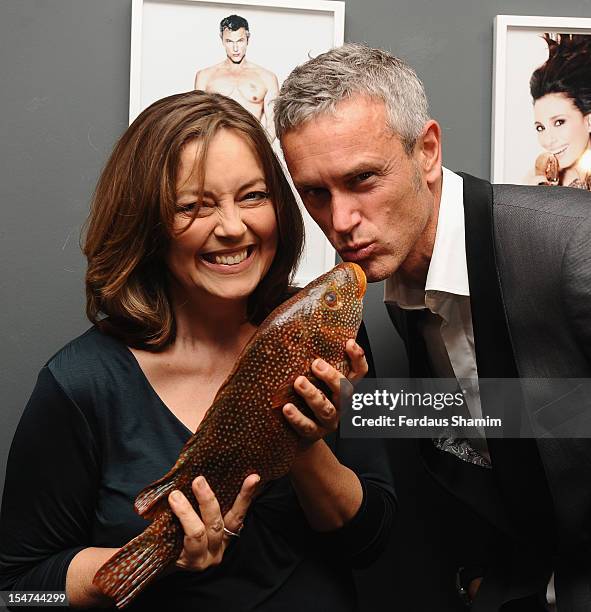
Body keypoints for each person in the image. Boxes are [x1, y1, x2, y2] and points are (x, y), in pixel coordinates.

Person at [0, 90, 395, 610]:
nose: (232, 228)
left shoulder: (321, 335)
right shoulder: (81, 384)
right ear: (147, 223)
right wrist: (151, 562)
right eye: (193, 206)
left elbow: (370, 544)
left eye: (253, 196)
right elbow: (21, 593)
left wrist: (300, 443)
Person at [274, 43, 591, 611]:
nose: (341, 222)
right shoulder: (402, 285)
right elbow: (509, 415)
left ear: (426, 151)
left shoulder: (574, 243)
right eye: (316, 194)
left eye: (363, 179)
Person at [195, 15, 279, 141]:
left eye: (240, 41)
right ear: (222, 40)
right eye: (229, 41)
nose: (235, 49)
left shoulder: (267, 78)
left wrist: (258, 150)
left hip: (252, 144)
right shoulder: (205, 76)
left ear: (247, 39)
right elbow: (198, 119)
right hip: (216, 145)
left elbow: (272, 124)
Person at [528, 34, 591, 189]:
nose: (548, 141)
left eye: (559, 122)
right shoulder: (537, 178)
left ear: (589, 121)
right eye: (540, 127)